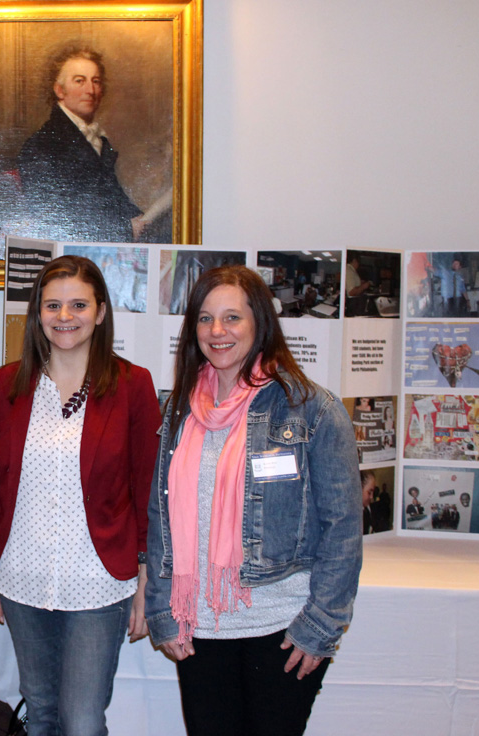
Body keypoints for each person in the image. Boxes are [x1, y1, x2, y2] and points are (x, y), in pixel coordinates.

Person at [144, 265, 362, 736]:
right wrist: (162, 609)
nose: (217, 331)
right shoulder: (178, 407)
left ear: (260, 323)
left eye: (232, 318)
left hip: (282, 629)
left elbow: (343, 527)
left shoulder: (312, 408)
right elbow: (160, 514)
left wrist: (321, 623)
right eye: (205, 318)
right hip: (198, 629)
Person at [0, 255, 161, 735]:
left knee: (81, 722)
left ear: (101, 312)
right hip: (21, 578)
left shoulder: (132, 385)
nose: (65, 317)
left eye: (78, 304)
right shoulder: (7, 384)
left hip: (100, 582)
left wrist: (147, 578)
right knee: (40, 715)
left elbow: (146, 488)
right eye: (53, 305)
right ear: (37, 312)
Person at [17, 45, 148, 243]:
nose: (90, 90)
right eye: (79, 81)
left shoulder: (99, 140)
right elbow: (58, 216)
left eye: (95, 82)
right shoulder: (42, 145)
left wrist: (140, 218)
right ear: (60, 90)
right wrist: (125, 228)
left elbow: (111, 196)